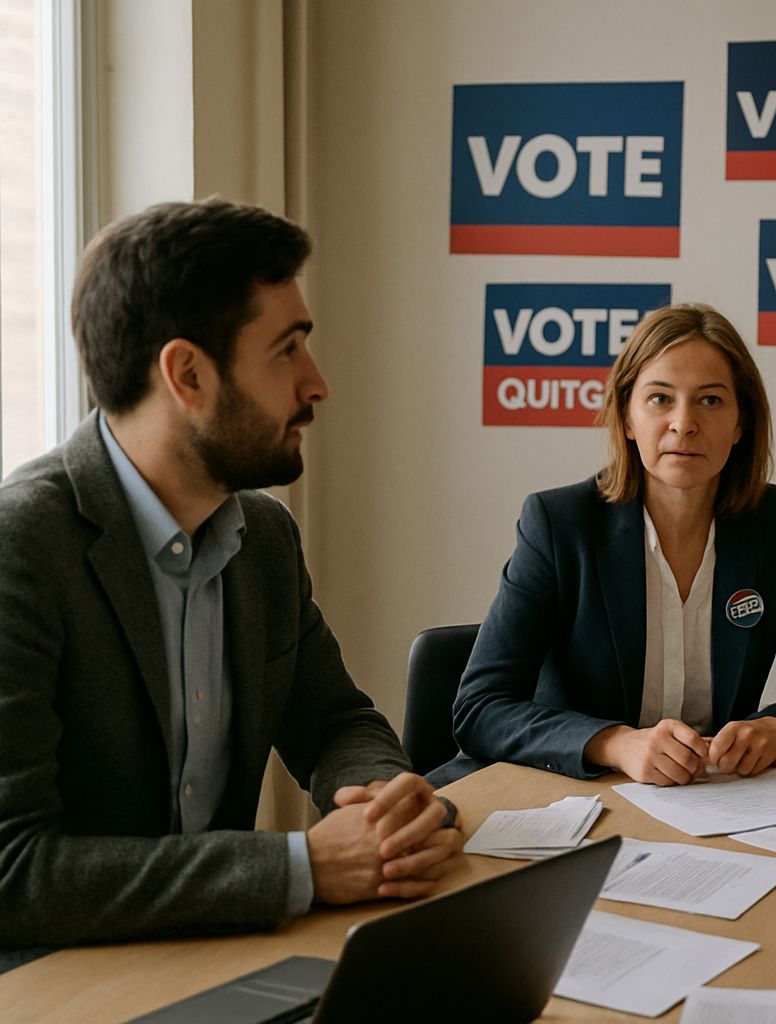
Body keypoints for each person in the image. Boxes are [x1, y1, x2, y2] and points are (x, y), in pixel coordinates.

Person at [0, 199, 464, 970]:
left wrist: (383, 799)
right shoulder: (23, 548)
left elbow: (336, 721)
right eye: (287, 351)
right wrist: (300, 869)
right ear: (187, 374)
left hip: (218, 959)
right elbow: (12, 871)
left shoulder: (264, 538)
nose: (317, 384)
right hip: (59, 986)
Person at [452, 303, 776, 785]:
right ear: (627, 418)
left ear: (741, 424)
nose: (683, 423)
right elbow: (481, 707)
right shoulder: (559, 524)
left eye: (710, 401)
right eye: (659, 399)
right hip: (576, 795)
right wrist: (614, 742)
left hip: (713, 800)